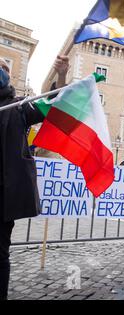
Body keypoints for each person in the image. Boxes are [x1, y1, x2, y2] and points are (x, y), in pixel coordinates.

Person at [0, 55, 69, 300]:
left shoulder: (19, 107)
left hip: (4, 194)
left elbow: (53, 104)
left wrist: (61, 76)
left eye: (3, 68)